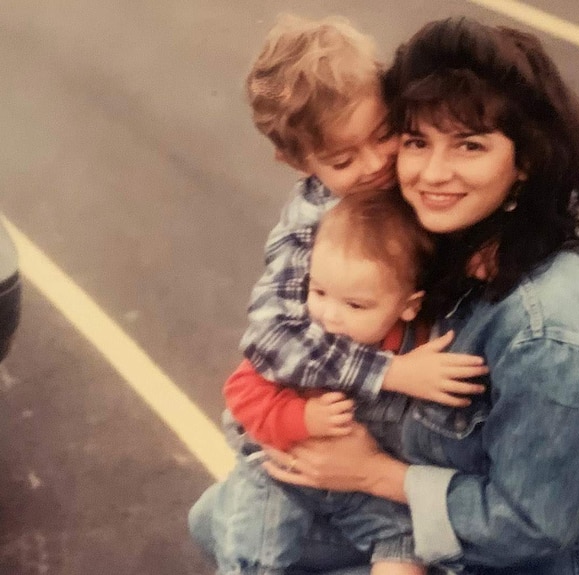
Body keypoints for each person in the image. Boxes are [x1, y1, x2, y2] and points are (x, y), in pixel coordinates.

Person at [193, 16, 579, 575]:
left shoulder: (543, 325)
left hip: (492, 555)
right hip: (393, 498)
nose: (429, 172)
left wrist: (372, 474)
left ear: (525, 159)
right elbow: (272, 343)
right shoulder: (437, 234)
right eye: (416, 141)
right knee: (214, 518)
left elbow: (533, 527)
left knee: (238, 529)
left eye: (470, 146)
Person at [191, 13, 488, 575]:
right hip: (297, 436)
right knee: (253, 543)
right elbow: (270, 339)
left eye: (383, 134)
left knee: (403, 543)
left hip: (376, 447)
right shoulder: (312, 225)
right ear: (299, 162)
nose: (376, 164)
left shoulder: (406, 179)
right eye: (343, 159)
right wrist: (389, 373)